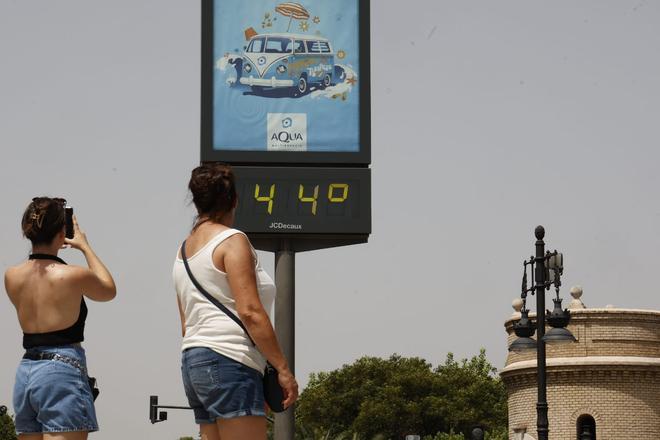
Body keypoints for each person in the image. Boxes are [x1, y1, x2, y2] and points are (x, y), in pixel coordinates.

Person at [173, 163, 298, 440]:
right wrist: (283, 369)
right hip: (229, 359)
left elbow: (186, 325)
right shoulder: (232, 241)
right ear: (234, 200)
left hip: (194, 362)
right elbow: (250, 311)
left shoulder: (182, 251)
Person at [4, 197, 116, 440]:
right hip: (62, 368)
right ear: (62, 230)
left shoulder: (11, 275)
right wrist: (85, 247)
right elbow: (109, 290)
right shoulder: (72, 275)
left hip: (27, 371)